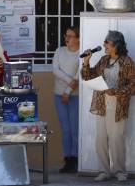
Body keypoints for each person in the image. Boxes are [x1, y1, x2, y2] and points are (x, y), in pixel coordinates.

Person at [81, 30, 135, 182]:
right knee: (100, 139)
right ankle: (104, 171)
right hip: (102, 104)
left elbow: (133, 85)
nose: (104, 45)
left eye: (107, 42)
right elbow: (87, 76)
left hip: (117, 105)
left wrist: (116, 91)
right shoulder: (104, 60)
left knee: (116, 139)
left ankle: (120, 171)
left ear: (116, 45)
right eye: (105, 42)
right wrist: (86, 62)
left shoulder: (127, 61)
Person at [52, 26, 79, 173]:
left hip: (74, 96)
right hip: (58, 95)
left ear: (78, 38)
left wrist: (68, 91)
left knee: (75, 129)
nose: (67, 38)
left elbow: (79, 76)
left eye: (71, 35)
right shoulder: (59, 51)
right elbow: (56, 70)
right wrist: (70, 82)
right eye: (66, 35)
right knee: (66, 129)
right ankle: (67, 159)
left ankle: (75, 158)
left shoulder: (82, 53)